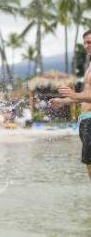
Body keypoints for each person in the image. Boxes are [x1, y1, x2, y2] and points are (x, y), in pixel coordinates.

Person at [49, 29, 91, 181]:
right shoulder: (89, 67)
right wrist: (64, 101)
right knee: (88, 164)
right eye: (85, 43)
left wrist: (73, 95)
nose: (87, 46)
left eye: (90, 42)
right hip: (85, 121)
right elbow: (85, 96)